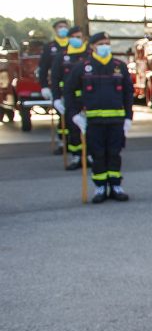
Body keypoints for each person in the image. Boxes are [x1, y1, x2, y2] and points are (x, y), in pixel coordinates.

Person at [66, 32, 133, 203]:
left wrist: (128, 117)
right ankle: (100, 187)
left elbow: (128, 94)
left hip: (116, 121)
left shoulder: (119, 66)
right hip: (94, 122)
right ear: (93, 46)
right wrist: (74, 115)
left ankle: (116, 186)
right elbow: (69, 91)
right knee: (98, 155)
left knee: (114, 154)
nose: (105, 46)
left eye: (107, 43)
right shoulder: (83, 67)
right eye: (101, 43)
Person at [51, 26, 88, 170]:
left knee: (91, 129)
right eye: (74, 37)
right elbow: (55, 78)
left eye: (79, 36)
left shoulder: (89, 54)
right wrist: (56, 98)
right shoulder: (62, 55)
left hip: (88, 99)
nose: (77, 39)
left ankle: (89, 155)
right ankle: (76, 156)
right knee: (73, 129)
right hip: (70, 98)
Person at [39, 19, 70, 154]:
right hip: (58, 88)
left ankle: (76, 143)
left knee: (73, 116)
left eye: (65, 27)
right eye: (60, 27)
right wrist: (44, 86)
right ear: (55, 30)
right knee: (62, 117)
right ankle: (63, 143)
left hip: (73, 88)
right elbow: (43, 69)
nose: (63, 29)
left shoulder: (74, 45)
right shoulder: (50, 47)